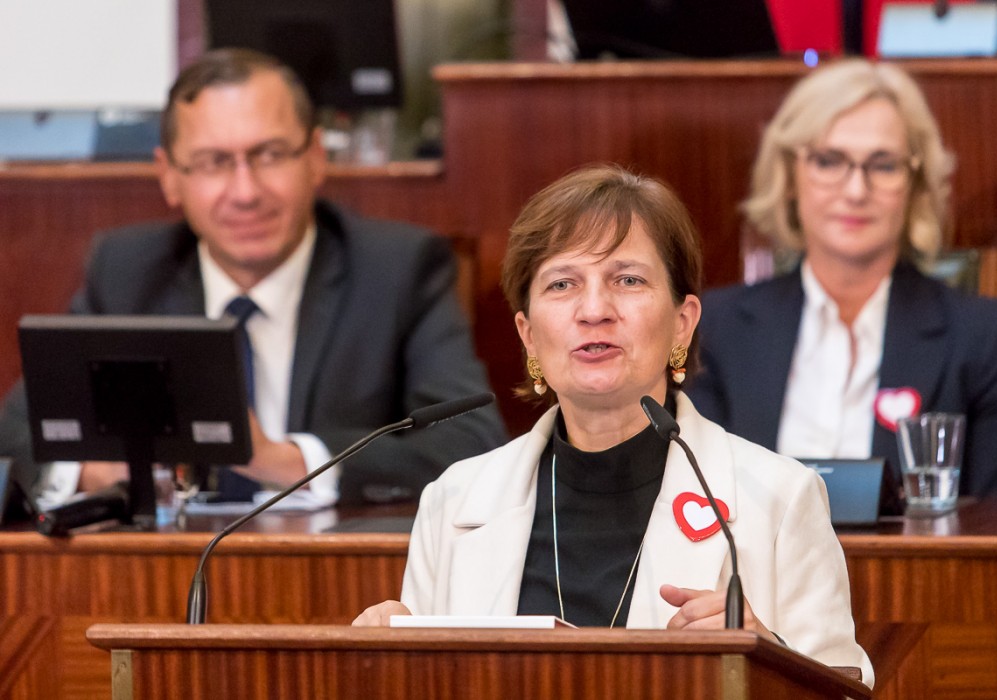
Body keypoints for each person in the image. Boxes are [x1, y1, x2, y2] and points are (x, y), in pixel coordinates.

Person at [352, 164, 874, 686]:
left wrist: (766, 659)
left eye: (628, 280)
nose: (594, 309)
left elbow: (841, 690)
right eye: (562, 283)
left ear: (682, 324)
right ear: (528, 335)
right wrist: (382, 666)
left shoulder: (780, 499)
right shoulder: (453, 501)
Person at [0, 48, 506, 510]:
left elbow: (472, 443)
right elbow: (16, 434)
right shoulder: (127, 272)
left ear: (315, 158)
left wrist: (289, 462)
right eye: (213, 163)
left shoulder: (397, 270)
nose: (245, 192)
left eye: (269, 155)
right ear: (170, 176)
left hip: (332, 564)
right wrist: (97, 472)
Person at [686, 59, 997, 499]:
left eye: (883, 165)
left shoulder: (984, 335)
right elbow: (688, 500)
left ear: (915, 184)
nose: (856, 190)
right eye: (829, 161)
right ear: (791, 176)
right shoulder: (716, 328)